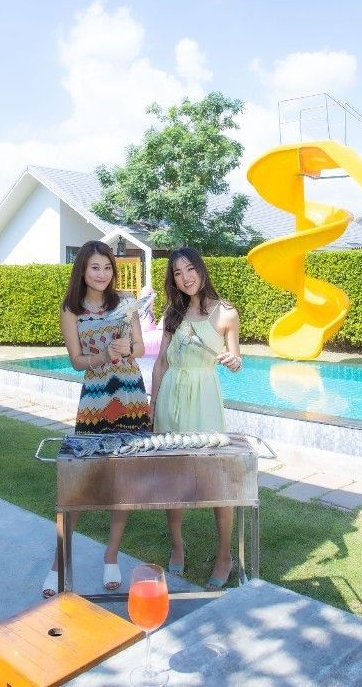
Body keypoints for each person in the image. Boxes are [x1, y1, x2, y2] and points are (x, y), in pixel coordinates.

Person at [42, 240, 150, 598]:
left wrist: (125, 349)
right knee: (82, 483)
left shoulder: (125, 304)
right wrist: (103, 355)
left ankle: (111, 555)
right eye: (95, 268)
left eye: (107, 267)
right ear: (83, 271)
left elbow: (139, 348)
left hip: (131, 395)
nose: (102, 274)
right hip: (96, 400)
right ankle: (59, 563)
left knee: (124, 481)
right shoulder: (71, 310)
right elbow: (75, 360)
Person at [149, 247, 243, 588]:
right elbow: (161, 363)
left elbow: (235, 358)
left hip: (204, 399)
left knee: (215, 479)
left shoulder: (225, 313)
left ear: (201, 270)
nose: (185, 277)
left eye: (190, 269)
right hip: (170, 397)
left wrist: (233, 361)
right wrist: (152, 406)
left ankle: (224, 556)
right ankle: (177, 546)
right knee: (172, 479)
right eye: (177, 272)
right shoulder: (173, 314)